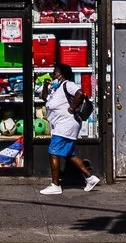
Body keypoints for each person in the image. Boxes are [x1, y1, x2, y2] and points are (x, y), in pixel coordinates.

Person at [40, 62, 100, 196]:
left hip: (66, 125)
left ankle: (55, 185)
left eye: (54, 72)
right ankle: (90, 178)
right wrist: (45, 86)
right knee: (70, 154)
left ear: (61, 75)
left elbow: (80, 93)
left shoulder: (68, 84)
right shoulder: (56, 89)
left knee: (53, 152)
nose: (52, 75)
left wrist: (72, 107)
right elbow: (45, 99)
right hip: (61, 126)